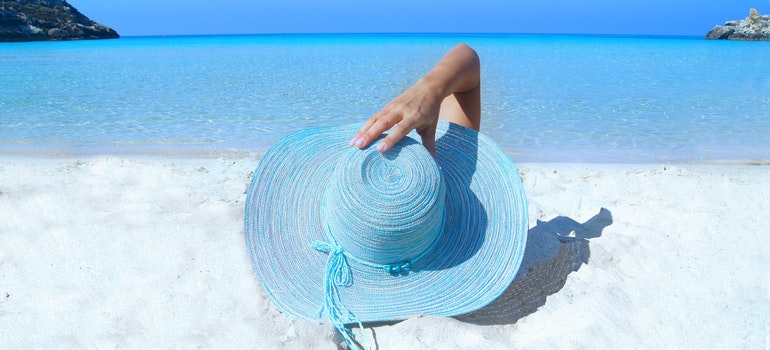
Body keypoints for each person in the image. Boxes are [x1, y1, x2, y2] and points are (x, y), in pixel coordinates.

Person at [348, 43, 481, 156]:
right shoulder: (454, 161)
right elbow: (467, 55)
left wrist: (427, 89)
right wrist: (430, 90)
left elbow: (466, 54)